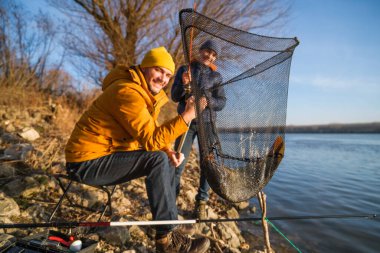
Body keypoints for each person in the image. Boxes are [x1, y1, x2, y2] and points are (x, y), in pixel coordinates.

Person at [65, 47, 210, 253]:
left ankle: (168, 229)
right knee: (157, 159)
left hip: (106, 155)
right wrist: (187, 116)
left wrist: (169, 151)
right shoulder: (127, 92)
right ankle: (169, 241)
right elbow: (150, 140)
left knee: (163, 158)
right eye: (159, 71)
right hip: (84, 163)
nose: (163, 79)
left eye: (168, 75)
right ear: (145, 67)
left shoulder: (144, 95)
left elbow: (150, 133)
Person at [171, 40, 226, 219]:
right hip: (185, 123)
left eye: (213, 55)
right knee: (178, 161)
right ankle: (171, 200)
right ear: (200, 50)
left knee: (207, 165)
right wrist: (183, 83)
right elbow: (175, 96)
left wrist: (208, 101)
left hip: (207, 125)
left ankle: (201, 202)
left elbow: (222, 102)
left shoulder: (216, 77)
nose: (209, 56)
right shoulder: (184, 69)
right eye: (207, 51)